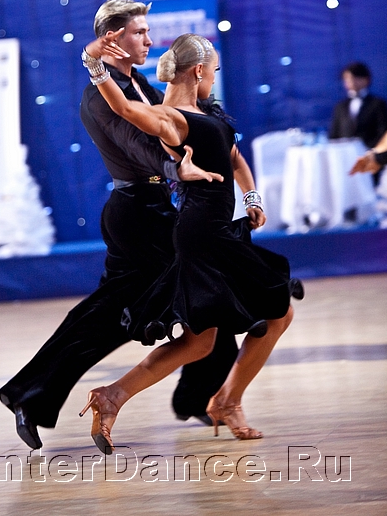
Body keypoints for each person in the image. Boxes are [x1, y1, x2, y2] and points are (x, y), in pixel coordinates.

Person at [0, 0, 239, 450]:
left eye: (148, 32)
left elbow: (174, 123)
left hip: (154, 210)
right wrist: (176, 169)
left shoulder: (137, 83)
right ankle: (33, 395)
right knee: (197, 300)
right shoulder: (101, 97)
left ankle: (195, 396)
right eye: (139, 32)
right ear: (113, 39)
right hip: (139, 216)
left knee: (187, 303)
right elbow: (137, 146)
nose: (149, 40)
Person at [79, 33, 300, 454]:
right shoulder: (171, 118)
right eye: (213, 70)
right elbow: (123, 108)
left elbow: (234, 159)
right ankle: (227, 401)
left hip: (217, 231)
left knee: (200, 341)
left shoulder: (206, 113)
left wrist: (251, 197)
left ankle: (112, 396)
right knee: (279, 311)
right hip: (203, 235)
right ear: (199, 70)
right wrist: (93, 63)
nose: (214, 77)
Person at [329, 62, 387, 149]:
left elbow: (383, 132)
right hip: (344, 153)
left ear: (366, 79)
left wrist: (371, 150)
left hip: (370, 152)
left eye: (353, 78)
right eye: (346, 79)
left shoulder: (378, 104)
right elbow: (334, 134)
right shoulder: (340, 106)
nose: (350, 82)